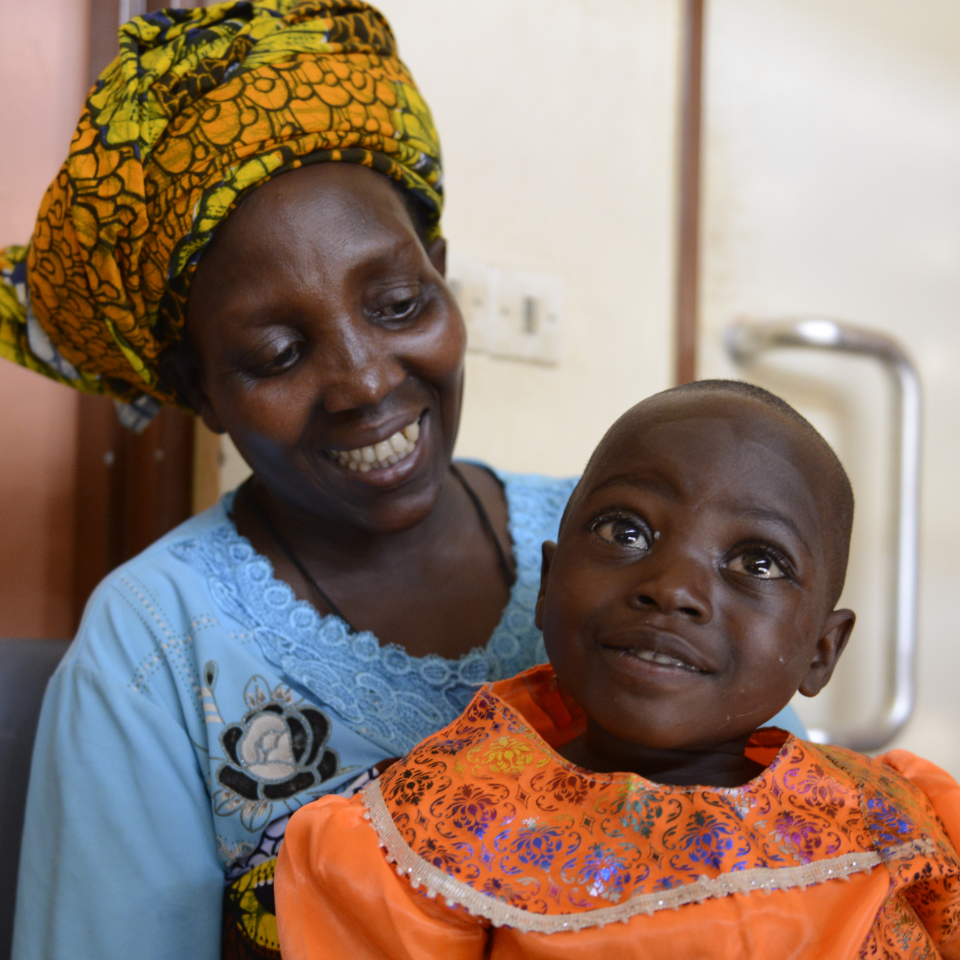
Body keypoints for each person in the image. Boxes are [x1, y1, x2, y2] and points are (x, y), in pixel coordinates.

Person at [3, 4, 805, 958]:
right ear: (200, 393)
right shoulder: (155, 647)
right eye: (276, 352)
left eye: (397, 304)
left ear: (444, 276)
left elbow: (784, 857)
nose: (366, 380)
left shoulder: (634, 557)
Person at [275, 380, 960, 960]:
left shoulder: (899, 816)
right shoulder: (431, 840)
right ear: (546, 585)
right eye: (625, 531)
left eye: (757, 562)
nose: (673, 587)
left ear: (821, 652)